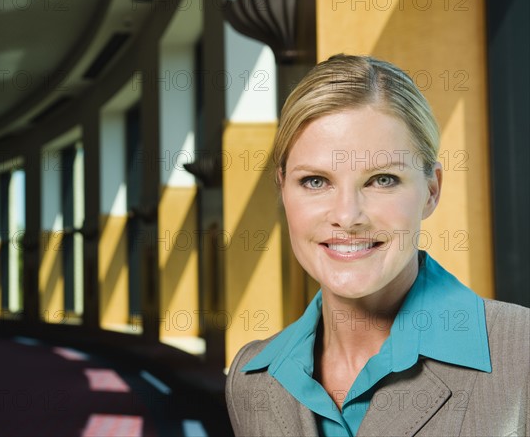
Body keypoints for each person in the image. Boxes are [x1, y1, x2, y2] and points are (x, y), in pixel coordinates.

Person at [225, 54, 529, 437]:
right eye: (316, 181)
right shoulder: (252, 380)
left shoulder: (522, 356)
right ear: (282, 188)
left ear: (431, 190)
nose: (348, 216)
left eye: (382, 179)